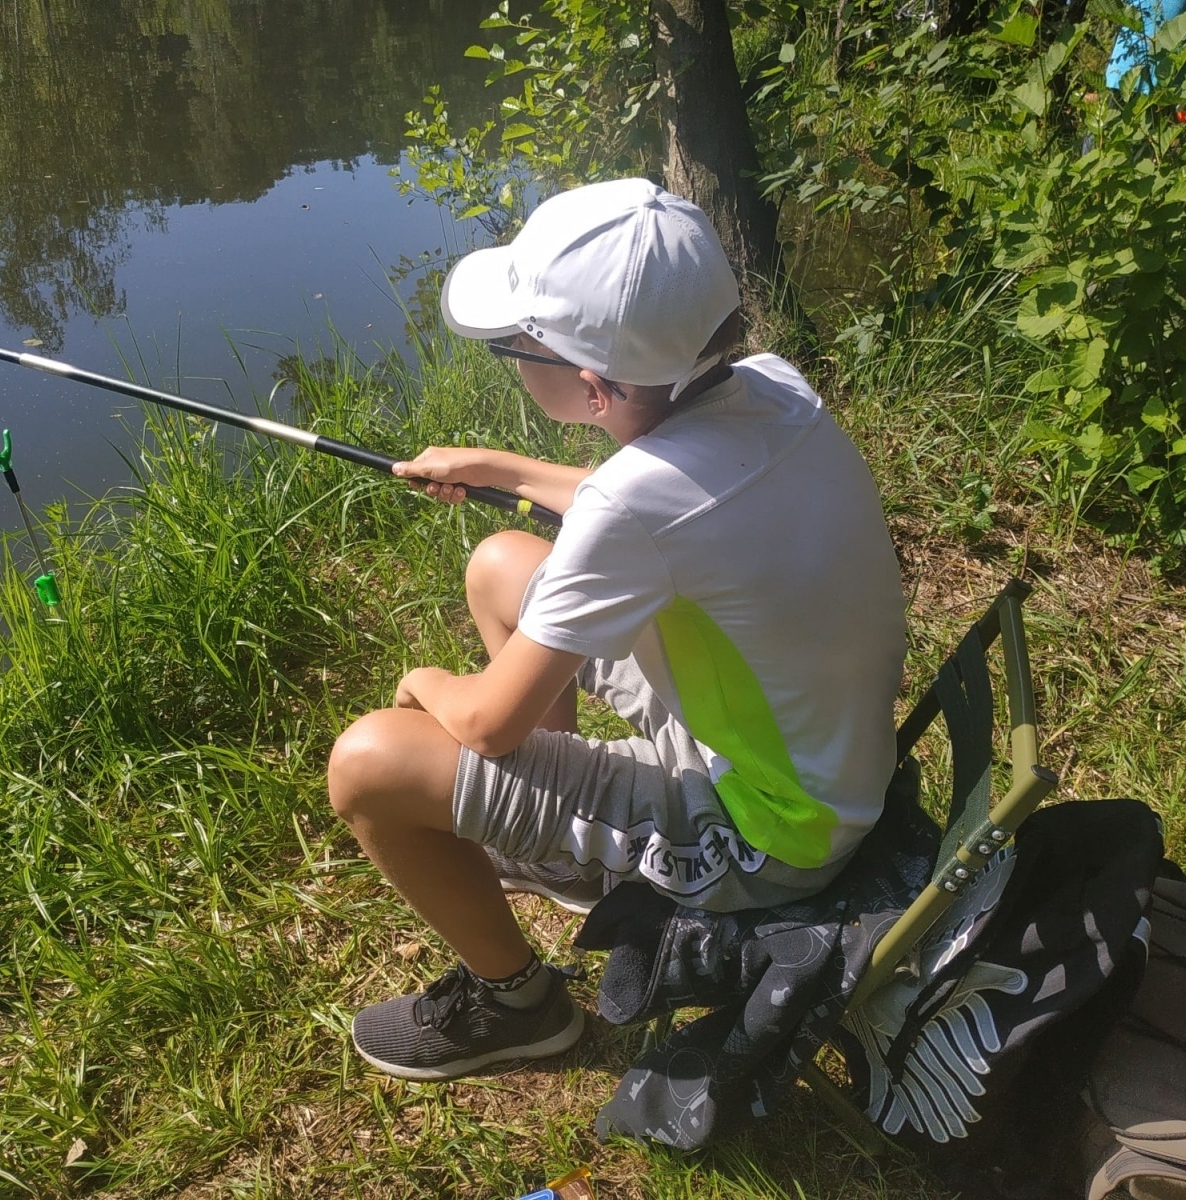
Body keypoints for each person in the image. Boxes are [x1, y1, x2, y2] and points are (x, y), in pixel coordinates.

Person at [327, 177, 907, 1082]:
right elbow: (650, 500)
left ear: (592, 388)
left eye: (516, 348)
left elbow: (488, 723)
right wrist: (499, 468)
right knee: (502, 567)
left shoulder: (632, 510)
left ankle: (515, 1002)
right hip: (814, 757)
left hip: (771, 837)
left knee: (368, 762)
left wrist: (423, 683)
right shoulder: (771, 388)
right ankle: (550, 843)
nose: (513, 362)